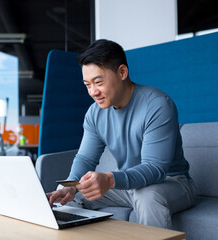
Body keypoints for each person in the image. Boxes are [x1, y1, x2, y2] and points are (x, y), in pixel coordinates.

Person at [46, 39, 197, 229]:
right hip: (128, 185)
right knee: (72, 196)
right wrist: (70, 186)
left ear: (122, 72)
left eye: (98, 82)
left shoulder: (157, 105)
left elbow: (154, 169)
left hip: (171, 183)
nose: (93, 92)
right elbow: (85, 158)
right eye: (87, 85)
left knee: (147, 195)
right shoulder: (95, 113)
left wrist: (109, 179)